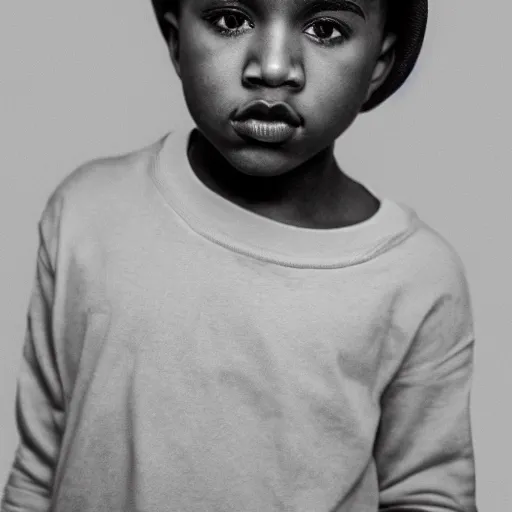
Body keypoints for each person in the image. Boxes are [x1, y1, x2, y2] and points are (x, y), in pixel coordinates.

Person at [1, 0, 478, 510]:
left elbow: (428, 494)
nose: (273, 68)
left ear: (378, 64)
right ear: (176, 40)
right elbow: (37, 473)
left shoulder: (415, 276)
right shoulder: (87, 213)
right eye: (231, 20)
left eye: (326, 29)